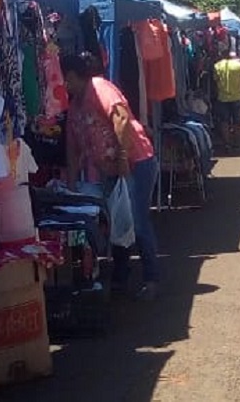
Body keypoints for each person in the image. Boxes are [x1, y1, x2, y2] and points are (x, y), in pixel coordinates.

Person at [63, 52, 161, 300]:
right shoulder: (74, 106)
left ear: (74, 76)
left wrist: (122, 157)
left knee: (137, 222)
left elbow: (121, 118)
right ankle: (120, 278)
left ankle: (151, 279)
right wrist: (72, 184)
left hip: (136, 162)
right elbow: (72, 148)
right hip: (110, 170)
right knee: (118, 223)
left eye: (67, 79)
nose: (65, 84)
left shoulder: (99, 87)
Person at [214, 51, 240, 151]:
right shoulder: (238, 65)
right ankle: (237, 143)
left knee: (224, 122)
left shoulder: (217, 66)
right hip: (237, 97)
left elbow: (215, 80)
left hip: (222, 97)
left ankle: (227, 143)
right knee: (237, 122)